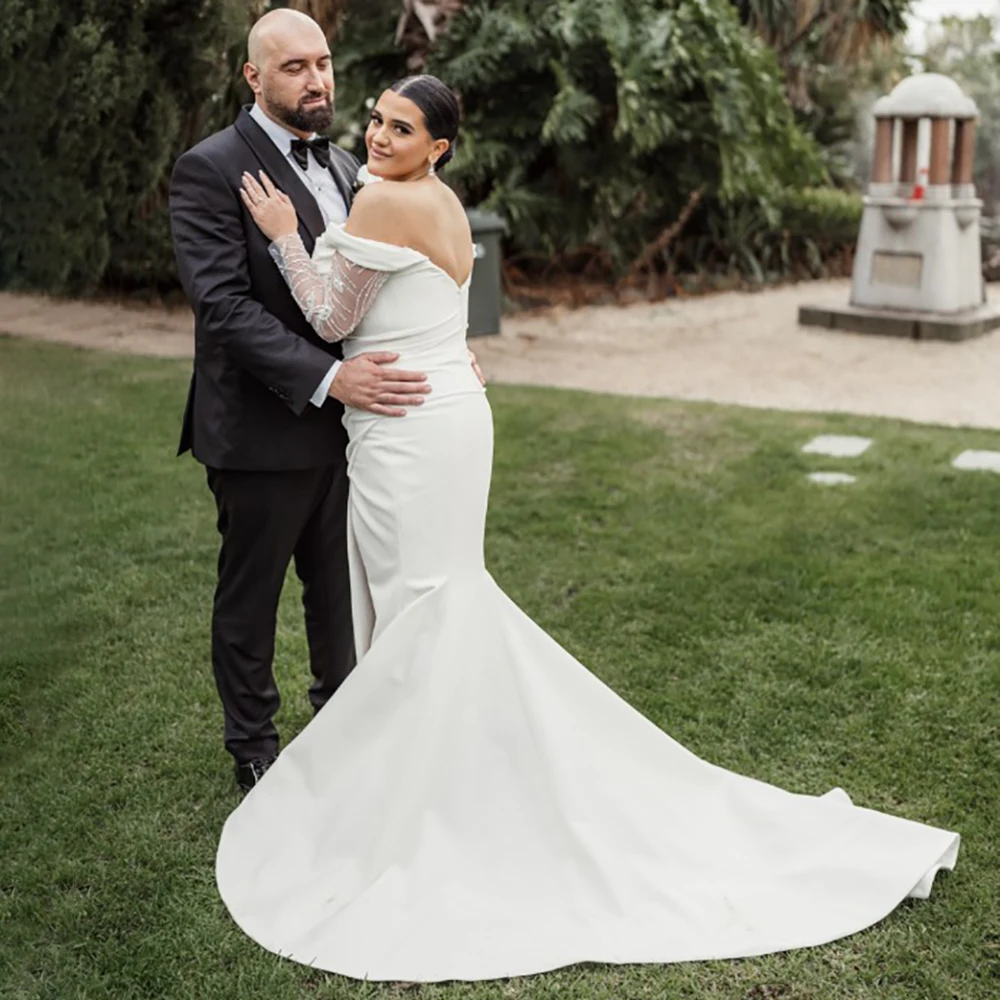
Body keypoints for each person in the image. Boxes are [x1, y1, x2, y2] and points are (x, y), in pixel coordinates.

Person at [214, 72, 960, 982]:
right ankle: (443, 782)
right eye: (375, 120)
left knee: (420, 609)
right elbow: (434, 314)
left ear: (438, 144)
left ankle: (419, 806)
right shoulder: (441, 202)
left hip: (407, 429)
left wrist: (289, 240)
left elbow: (332, 317)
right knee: (440, 602)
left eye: (400, 128)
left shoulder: (381, 199)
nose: (377, 136)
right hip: (446, 412)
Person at [169, 10, 473, 793]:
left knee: (342, 595)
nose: (318, 80)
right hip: (261, 428)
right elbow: (224, 308)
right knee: (252, 597)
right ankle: (254, 746)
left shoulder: (353, 167)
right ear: (254, 77)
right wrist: (332, 378)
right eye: (295, 67)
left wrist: (438, 345)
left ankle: (345, 718)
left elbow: (370, 295)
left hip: (360, 433)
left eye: (324, 63)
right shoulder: (210, 168)